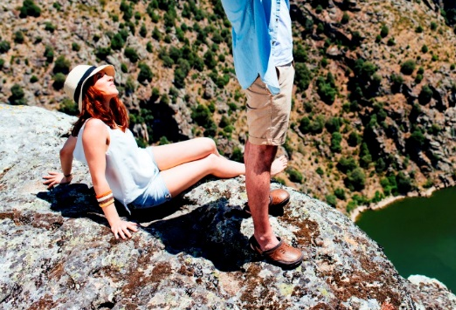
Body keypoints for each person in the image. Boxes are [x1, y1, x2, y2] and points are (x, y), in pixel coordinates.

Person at [43, 64, 289, 240]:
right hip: (142, 192)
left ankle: (247, 174)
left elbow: (66, 151)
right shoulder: (94, 128)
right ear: (90, 90)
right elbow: (98, 181)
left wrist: (66, 178)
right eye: (100, 77)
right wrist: (114, 221)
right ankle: (259, 177)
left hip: (144, 161)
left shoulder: (93, 120)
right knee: (210, 162)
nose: (109, 77)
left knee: (207, 144)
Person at [215, 0, 310, 269]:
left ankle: (262, 193)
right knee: (262, 150)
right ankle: (264, 239)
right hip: (264, 68)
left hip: (275, 60)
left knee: (266, 143)